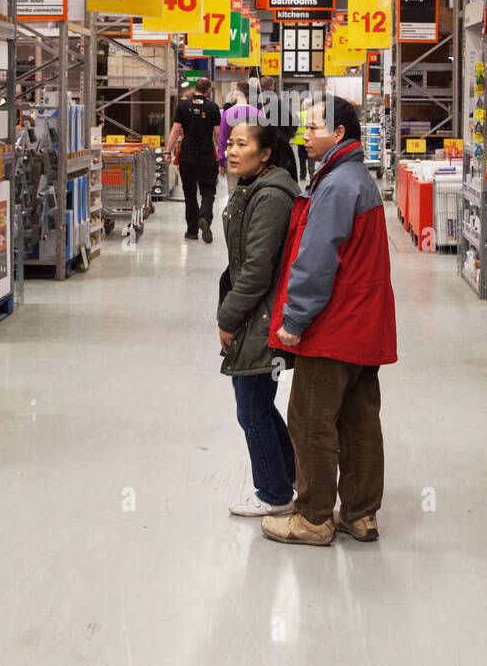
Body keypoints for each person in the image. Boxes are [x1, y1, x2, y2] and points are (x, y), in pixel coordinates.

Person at [263, 96, 397, 547]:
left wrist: (295, 320)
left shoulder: (338, 185)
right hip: (364, 326)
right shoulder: (357, 178)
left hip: (333, 327)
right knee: (360, 419)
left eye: (314, 125)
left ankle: (314, 517)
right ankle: (360, 515)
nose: (305, 133)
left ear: (339, 133)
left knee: (310, 419)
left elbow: (317, 260)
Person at [217, 122, 300, 517]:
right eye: (229, 143)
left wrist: (229, 316)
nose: (232, 150)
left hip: (260, 315)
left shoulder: (270, 197)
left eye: (242, 144)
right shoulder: (253, 187)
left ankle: (274, 494)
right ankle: (290, 477)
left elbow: (256, 269)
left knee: (251, 409)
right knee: (260, 406)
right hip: (256, 311)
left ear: (265, 153)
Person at [164, 77, 221, 242]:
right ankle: (205, 217)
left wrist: (168, 151)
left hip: (187, 155)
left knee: (189, 195)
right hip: (206, 155)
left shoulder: (182, 105)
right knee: (208, 191)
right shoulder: (212, 107)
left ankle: (192, 230)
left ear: (195, 88)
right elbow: (217, 133)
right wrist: (221, 152)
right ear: (208, 90)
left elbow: (175, 130)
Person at [217, 87, 259, 199]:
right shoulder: (258, 113)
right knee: (252, 193)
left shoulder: (227, 113)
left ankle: (233, 215)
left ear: (237, 94)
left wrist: (221, 161)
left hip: (233, 158)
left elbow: (222, 138)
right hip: (253, 158)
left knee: (233, 193)